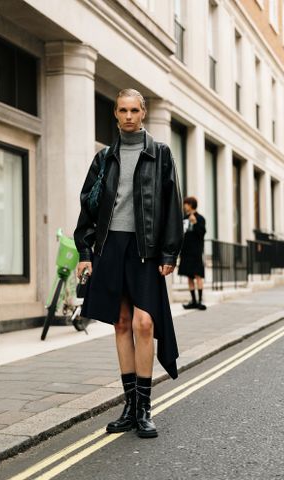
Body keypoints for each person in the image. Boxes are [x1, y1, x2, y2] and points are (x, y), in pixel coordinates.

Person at [74, 88, 183, 438]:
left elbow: (171, 207)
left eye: (135, 109)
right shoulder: (104, 157)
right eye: (122, 110)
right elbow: (87, 206)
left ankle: (146, 406)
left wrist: (169, 253)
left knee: (144, 324)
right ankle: (130, 405)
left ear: (144, 112)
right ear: (116, 114)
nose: (129, 116)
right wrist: (85, 252)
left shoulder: (161, 155)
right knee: (121, 323)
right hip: (110, 247)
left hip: (145, 249)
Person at [178, 196, 207, 310]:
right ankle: (193, 301)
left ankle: (200, 301)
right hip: (186, 251)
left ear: (190, 205)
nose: (184, 206)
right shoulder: (184, 218)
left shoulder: (200, 218)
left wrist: (195, 223)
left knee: (197, 275)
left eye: (186, 204)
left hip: (196, 251)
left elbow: (202, 233)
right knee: (189, 276)